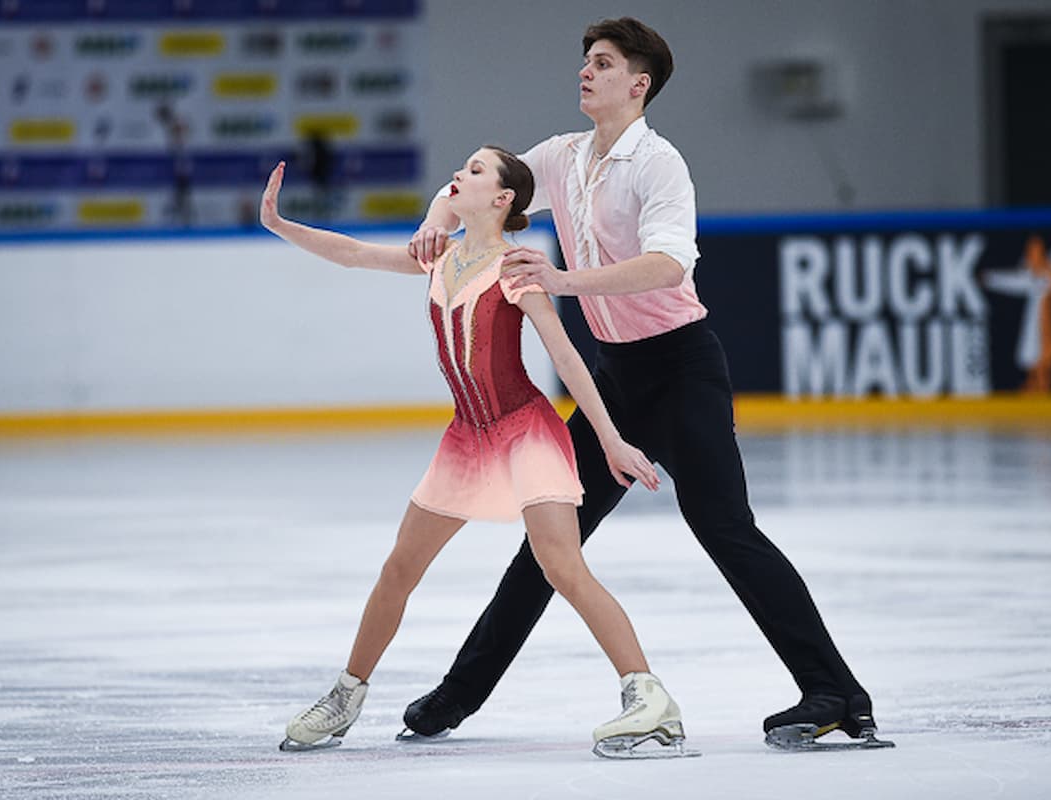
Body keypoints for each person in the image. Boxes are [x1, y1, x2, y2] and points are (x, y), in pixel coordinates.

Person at [404, 17, 889, 750]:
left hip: (682, 369)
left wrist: (563, 278)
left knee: (724, 529)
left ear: (638, 84)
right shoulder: (561, 158)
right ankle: (455, 697)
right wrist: (433, 223)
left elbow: (669, 265)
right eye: (583, 61)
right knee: (550, 543)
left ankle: (835, 693)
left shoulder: (659, 165)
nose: (584, 72)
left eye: (600, 63)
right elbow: (473, 186)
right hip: (614, 378)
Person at [261, 146, 694, 759]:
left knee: (562, 568)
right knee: (399, 568)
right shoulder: (437, 258)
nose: (457, 176)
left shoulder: (516, 269)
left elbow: (567, 359)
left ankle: (649, 698)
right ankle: (346, 696)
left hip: (526, 433)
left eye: (473, 170)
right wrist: (282, 225)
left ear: (502, 199)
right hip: (467, 437)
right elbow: (355, 254)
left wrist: (610, 439)